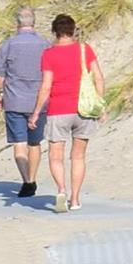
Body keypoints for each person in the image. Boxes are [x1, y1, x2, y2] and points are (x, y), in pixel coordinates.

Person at [37, 12, 101, 213]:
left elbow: (46, 86)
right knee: (78, 157)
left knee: (55, 156)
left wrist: (36, 112)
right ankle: (75, 199)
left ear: (54, 32)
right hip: (83, 109)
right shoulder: (85, 49)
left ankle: (61, 190)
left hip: (58, 110)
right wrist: (100, 105)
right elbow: (99, 78)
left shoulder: (49, 54)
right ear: (73, 30)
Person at [0, 6, 49, 200]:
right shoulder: (45, 44)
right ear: (34, 23)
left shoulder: (9, 44)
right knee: (34, 143)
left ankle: (27, 182)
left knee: (19, 144)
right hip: (39, 102)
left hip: (14, 101)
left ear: (17, 23)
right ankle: (32, 177)